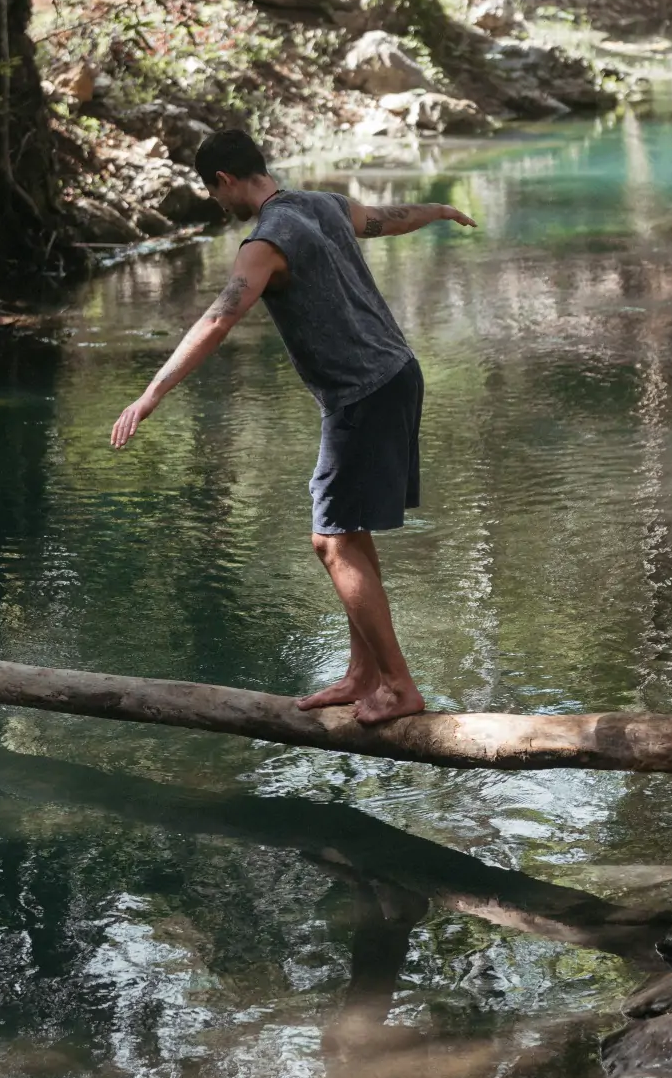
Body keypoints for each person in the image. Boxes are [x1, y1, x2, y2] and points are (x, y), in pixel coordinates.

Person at [110, 128, 476, 725]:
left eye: (214, 194)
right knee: (349, 530)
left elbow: (217, 321)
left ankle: (399, 686)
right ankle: (364, 675)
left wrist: (152, 393)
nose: (219, 206)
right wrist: (436, 210)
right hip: (396, 373)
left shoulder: (264, 243)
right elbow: (386, 217)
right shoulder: (322, 204)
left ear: (225, 181)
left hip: (363, 391)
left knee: (330, 540)